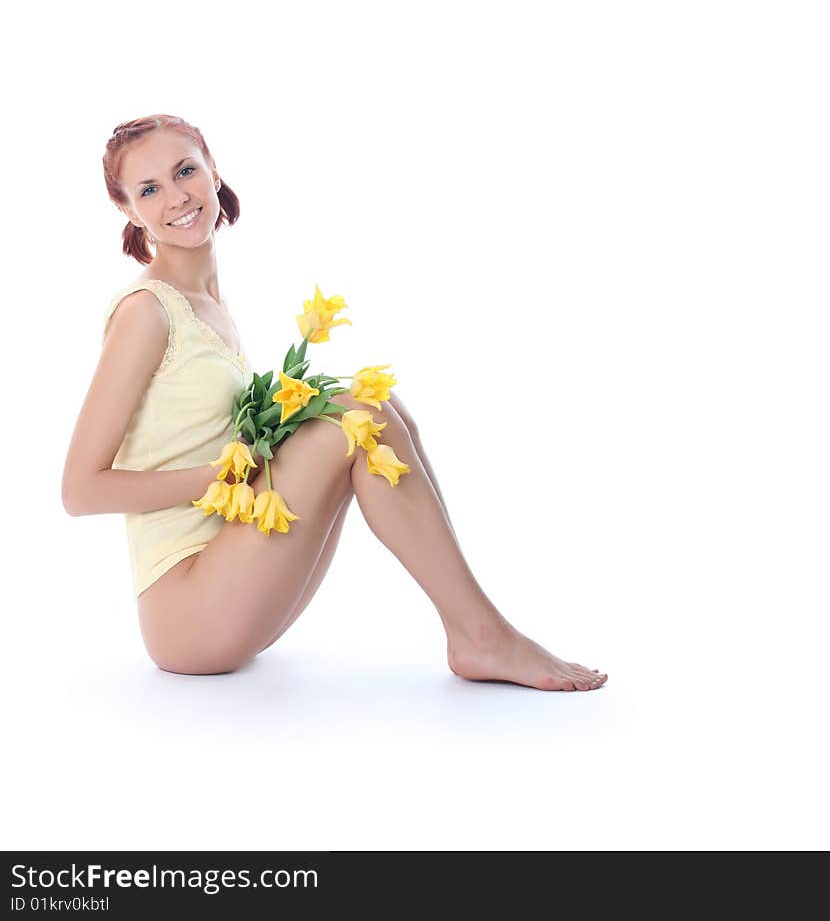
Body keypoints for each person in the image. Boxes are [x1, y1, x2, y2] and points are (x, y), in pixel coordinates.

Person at [61, 113, 608, 692]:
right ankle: (480, 636)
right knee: (357, 413)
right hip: (188, 610)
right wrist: (218, 477)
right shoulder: (147, 312)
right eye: (149, 189)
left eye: (184, 171)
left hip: (236, 576)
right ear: (128, 211)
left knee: (376, 402)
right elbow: (79, 490)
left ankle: (478, 631)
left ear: (213, 170)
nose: (176, 196)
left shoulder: (209, 305)